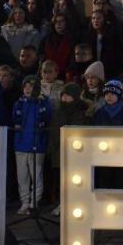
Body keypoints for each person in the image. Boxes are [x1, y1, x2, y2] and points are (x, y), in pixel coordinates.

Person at [12, 75, 52, 215]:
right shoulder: (18, 104)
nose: (28, 89)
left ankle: (34, 203)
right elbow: (15, 121)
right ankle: (24, 202)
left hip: (37, 145)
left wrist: (44, 99)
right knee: (22, 177)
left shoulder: (43, 103)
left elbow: (48, 118)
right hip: (21, 145)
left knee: (36, 176)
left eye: (31, 86)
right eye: (26, 86)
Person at [48, 83, 86, 215]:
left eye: (67, 96)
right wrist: (52, 148)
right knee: (60, 182)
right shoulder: (58, 112)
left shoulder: (81, 113)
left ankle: (74, 205)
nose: (64, 98)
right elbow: (53, 131)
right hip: (59, 152)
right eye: (63, 95)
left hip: (75, 153)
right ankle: (61, 204)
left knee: (75, 182)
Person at [85, 9, 123, 79]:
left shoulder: (112, 37)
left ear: (104, 20)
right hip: (92, 74)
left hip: (109, 73)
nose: (96, 20)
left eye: (99, 18)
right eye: (93, 18)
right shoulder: (89, 37)